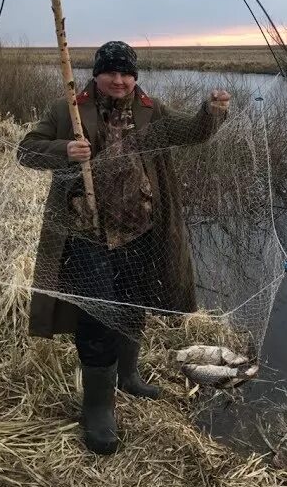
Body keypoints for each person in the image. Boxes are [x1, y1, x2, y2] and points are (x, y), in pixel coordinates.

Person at [16, 40, 230, 454]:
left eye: (127, 73)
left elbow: (193, 132)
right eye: (111, 72)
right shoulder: (68, 110)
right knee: (97, 317)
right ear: (96, 74)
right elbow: (26, 150)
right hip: (85, 234)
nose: (120, 80)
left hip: (140, 229)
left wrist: (212, 110)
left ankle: (128, 378)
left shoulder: (150, 109)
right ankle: (98, 408)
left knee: (133, 304)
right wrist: (64, 150)